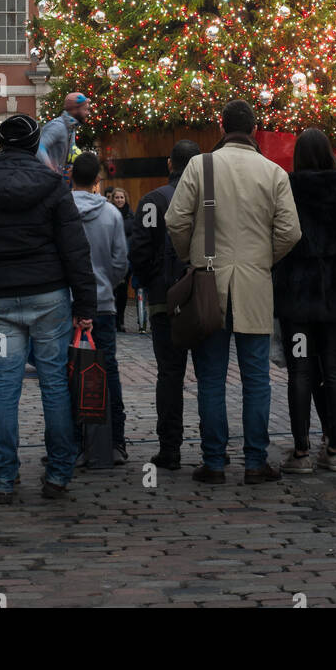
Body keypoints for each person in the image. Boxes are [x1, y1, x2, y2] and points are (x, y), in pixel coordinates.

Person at [0, 114, 96, 503]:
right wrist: (85, 303)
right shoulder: (53, 186)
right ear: (34, 145)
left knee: (4, 389)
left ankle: (2, 478)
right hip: (49, 299)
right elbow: (75, 249)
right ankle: (59, 475)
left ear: (0, 144)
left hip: (0, 303)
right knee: (54, 387)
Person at [166, 99, 301, 485]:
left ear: (221, 127)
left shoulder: (200, 166)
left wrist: (190, 255)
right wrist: (263, 259)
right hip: (256, 284)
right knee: (256, 379)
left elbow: (175, 220)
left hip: (208, 282)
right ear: (255, 130)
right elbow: (291, 232)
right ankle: (256, 462)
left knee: (211, 380)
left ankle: (214, 462)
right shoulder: (273, 171)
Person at [275, 129, 336, 474]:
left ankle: (301, 452)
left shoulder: (288, 185)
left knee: (300, 370)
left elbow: (282, 235)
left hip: (298, 294)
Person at [130, 139, 201, 469]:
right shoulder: (209, 199)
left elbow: (140, 251)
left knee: (169, 375)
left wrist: (150, 283)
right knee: (209, 376)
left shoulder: (151, 200)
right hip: (205, 297)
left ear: (170, 164)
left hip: (164, 299)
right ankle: (214, 449)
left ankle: (169, 448)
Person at [71, 152, 130, 464]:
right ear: (97, 180)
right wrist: (108, 281)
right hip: (103, 304)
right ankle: (115, 443)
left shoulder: (60, 210)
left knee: (65, 374)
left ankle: (70, 443)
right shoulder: (111, 214)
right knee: (108, 372)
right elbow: (121, 261)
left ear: (71, 177)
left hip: (67, 306)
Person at [37, 93, 90, 181]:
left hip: (54, 181)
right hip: (44, 180)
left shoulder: (70, 128)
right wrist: (50, 168)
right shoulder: (58, 126)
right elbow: (39, 147)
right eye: (85, 109)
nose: (88, 113)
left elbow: (71, 152)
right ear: (75, 109)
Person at [110, 187, 133, 332]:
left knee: (123, 292)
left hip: (127, 259)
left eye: (121, 197)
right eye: (117, 197)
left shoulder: (132, 216)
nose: (119, 200)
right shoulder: (109, 214)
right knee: (112, 291)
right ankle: (112, 319)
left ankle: (121, 320)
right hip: (111, 258)